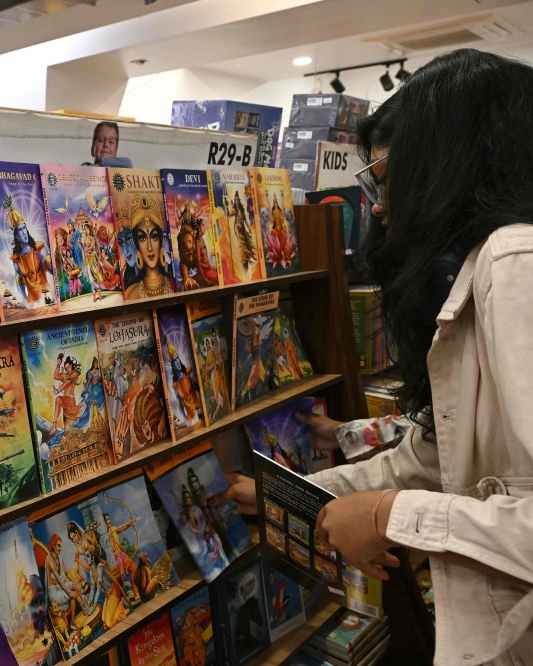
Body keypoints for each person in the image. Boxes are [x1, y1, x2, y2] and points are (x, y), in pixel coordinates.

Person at [210, 50, 533, 665]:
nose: (377, 208)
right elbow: (432, 457)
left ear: (447, 162)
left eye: (384, 178)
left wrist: (392, 515)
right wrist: (287, 496)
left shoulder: (515, 264)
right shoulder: (482, 270)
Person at [122, 201, 174, 299]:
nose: (149, 247)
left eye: (154, 237)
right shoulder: (131, 294)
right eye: (142, 238)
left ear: (160, 241)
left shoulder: (174, 285)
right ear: (136, 244)